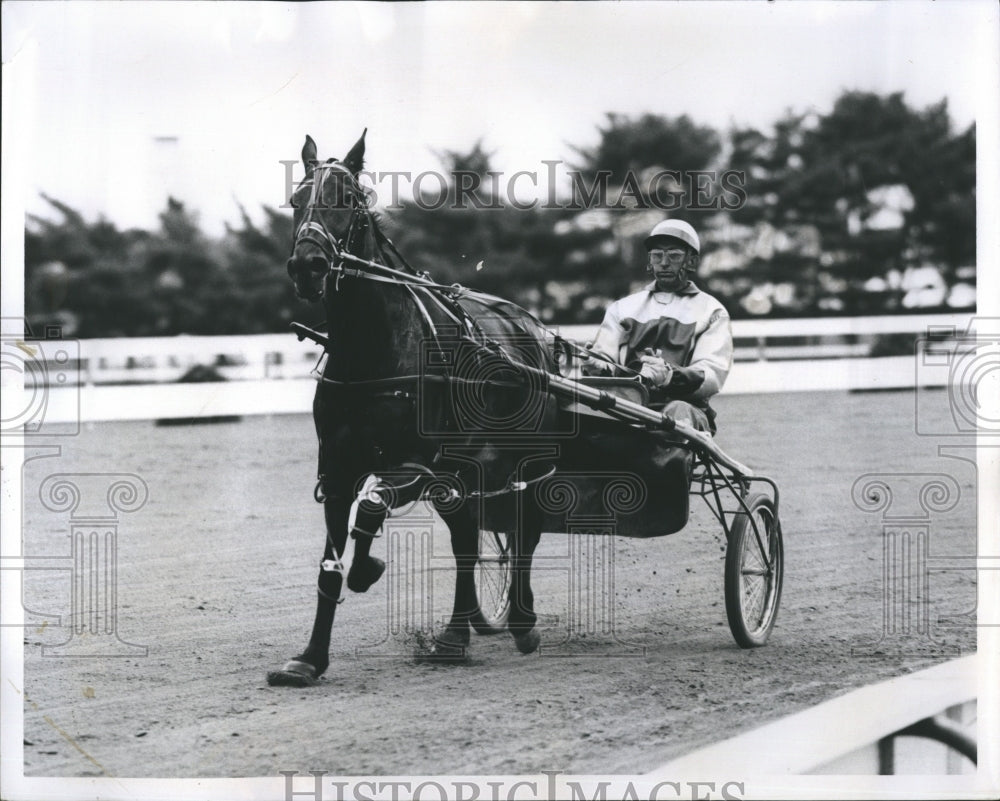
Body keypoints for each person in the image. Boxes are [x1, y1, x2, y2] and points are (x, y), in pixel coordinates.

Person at [582, 219, 733, 433]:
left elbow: (711, 375)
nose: (663, 262)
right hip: (627, 405)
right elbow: (605, 358)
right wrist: (597, 366)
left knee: (678, 412)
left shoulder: (712, 311)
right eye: (657, 255)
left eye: (673, 255)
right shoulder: (622, 308)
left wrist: (669, 376)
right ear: (649, 260)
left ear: (691, 261)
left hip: (685, 408)